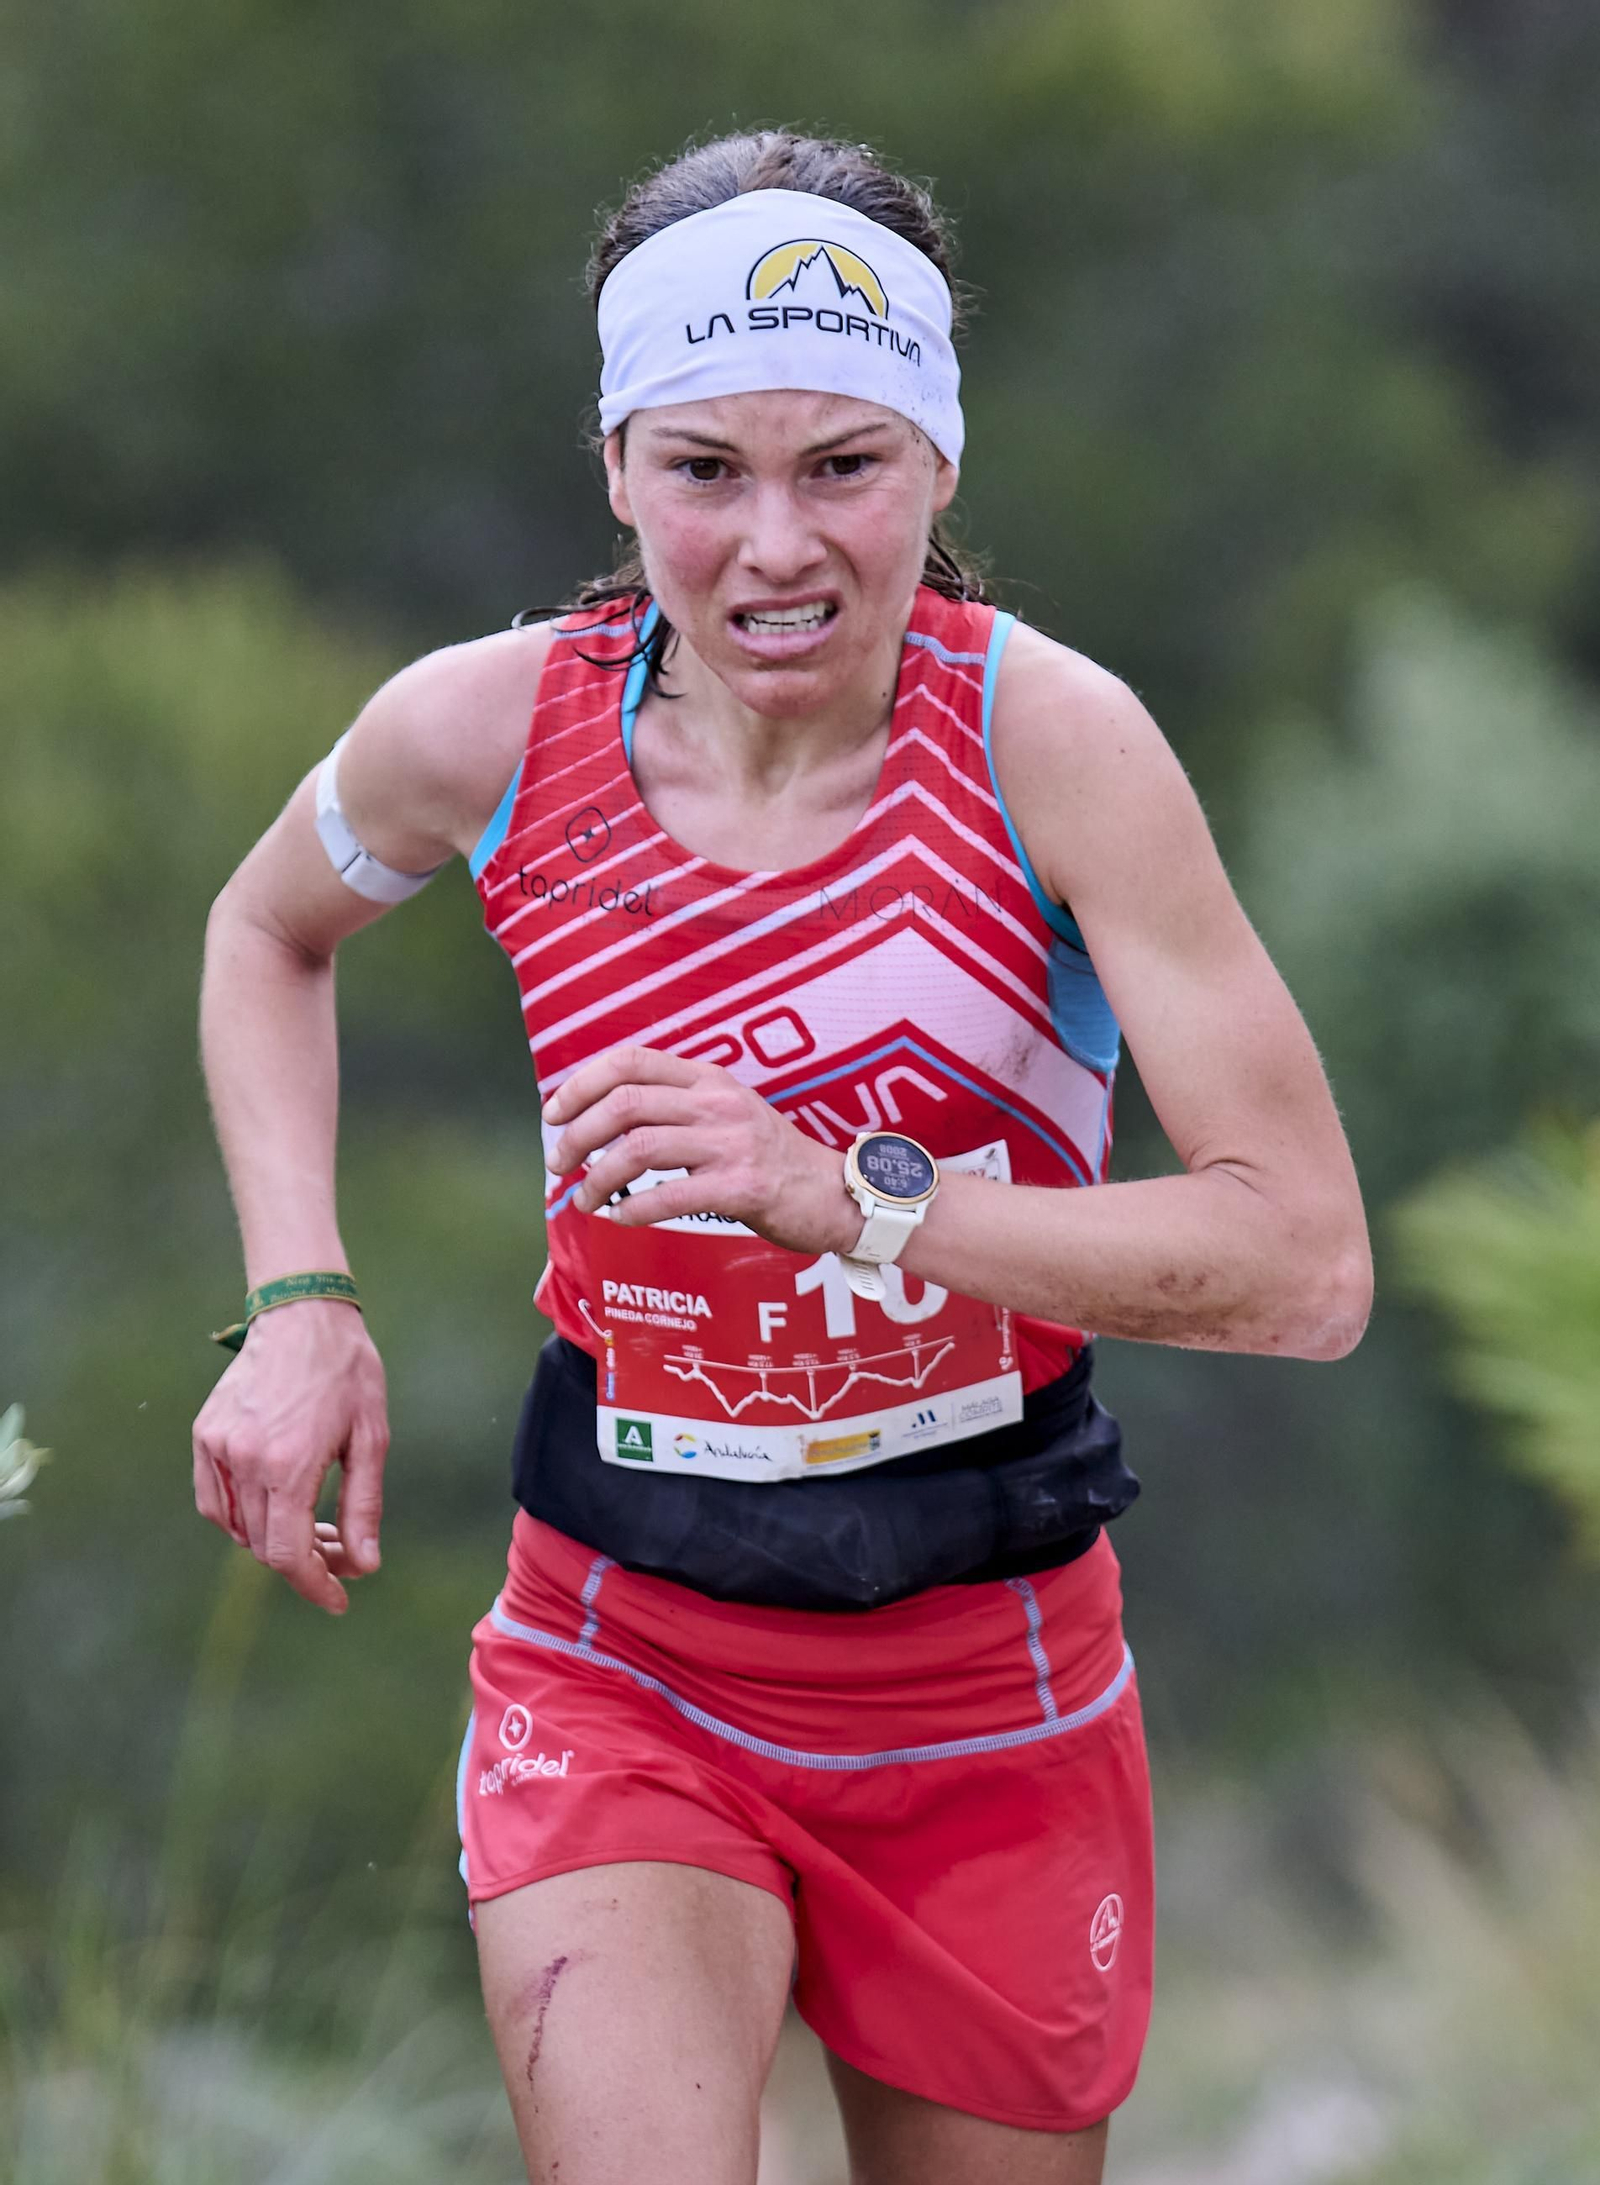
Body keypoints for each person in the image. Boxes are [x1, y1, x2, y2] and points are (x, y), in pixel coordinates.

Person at [192, 130, 1371, 2185]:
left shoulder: (1048, 745)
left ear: (935, 460)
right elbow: (262, 931)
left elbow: (1299, 1265)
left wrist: (852, 1192)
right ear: (612, 464)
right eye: (701, 470)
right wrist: (300, 1301)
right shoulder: (481, 735)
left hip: (986, 1680)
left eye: (843, 465)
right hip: (621, 1653)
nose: (772, 547)